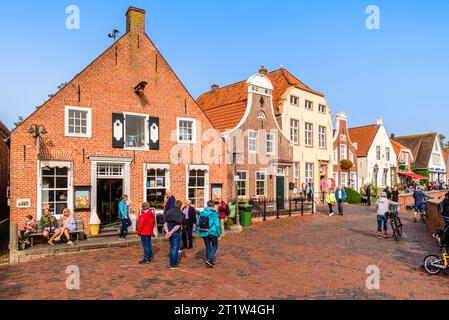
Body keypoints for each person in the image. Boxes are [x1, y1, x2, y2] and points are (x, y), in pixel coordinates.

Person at [197, 201, 222, 268]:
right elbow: (217, 225)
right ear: (213, 206)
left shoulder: (202, 212)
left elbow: (197, 222)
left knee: (208, 246)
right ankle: (208, 259)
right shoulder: (214, 213)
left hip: (204, 232)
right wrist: (219, 234)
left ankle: (209, 261)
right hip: (212, 232)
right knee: (215, 245)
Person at [164, 200, 185, 269]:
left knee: (172, 247)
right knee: (175, 248)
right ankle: (173, 265)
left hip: (169, 231)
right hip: (175, 232)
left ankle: (171, 263)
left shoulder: (168, 211)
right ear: (180, 205)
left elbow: (165, 223)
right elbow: (178, 225)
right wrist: (171, 232)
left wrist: (167, 232)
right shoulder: (181, 213)